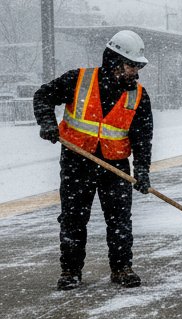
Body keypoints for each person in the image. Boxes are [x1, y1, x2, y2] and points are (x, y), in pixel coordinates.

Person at [33, 30, 153, 290]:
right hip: (78, 161)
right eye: (130, 65)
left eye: (137, 66)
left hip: (116, 165)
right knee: (73, 218)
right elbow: (42, 96)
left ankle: (122, 268)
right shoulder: (79, 80)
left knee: (120, 220)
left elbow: (143, 138)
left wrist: (142, 171)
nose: (134, 71)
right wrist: (47, 124)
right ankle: (71, 271)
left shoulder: (138, 96)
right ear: (114, 61)